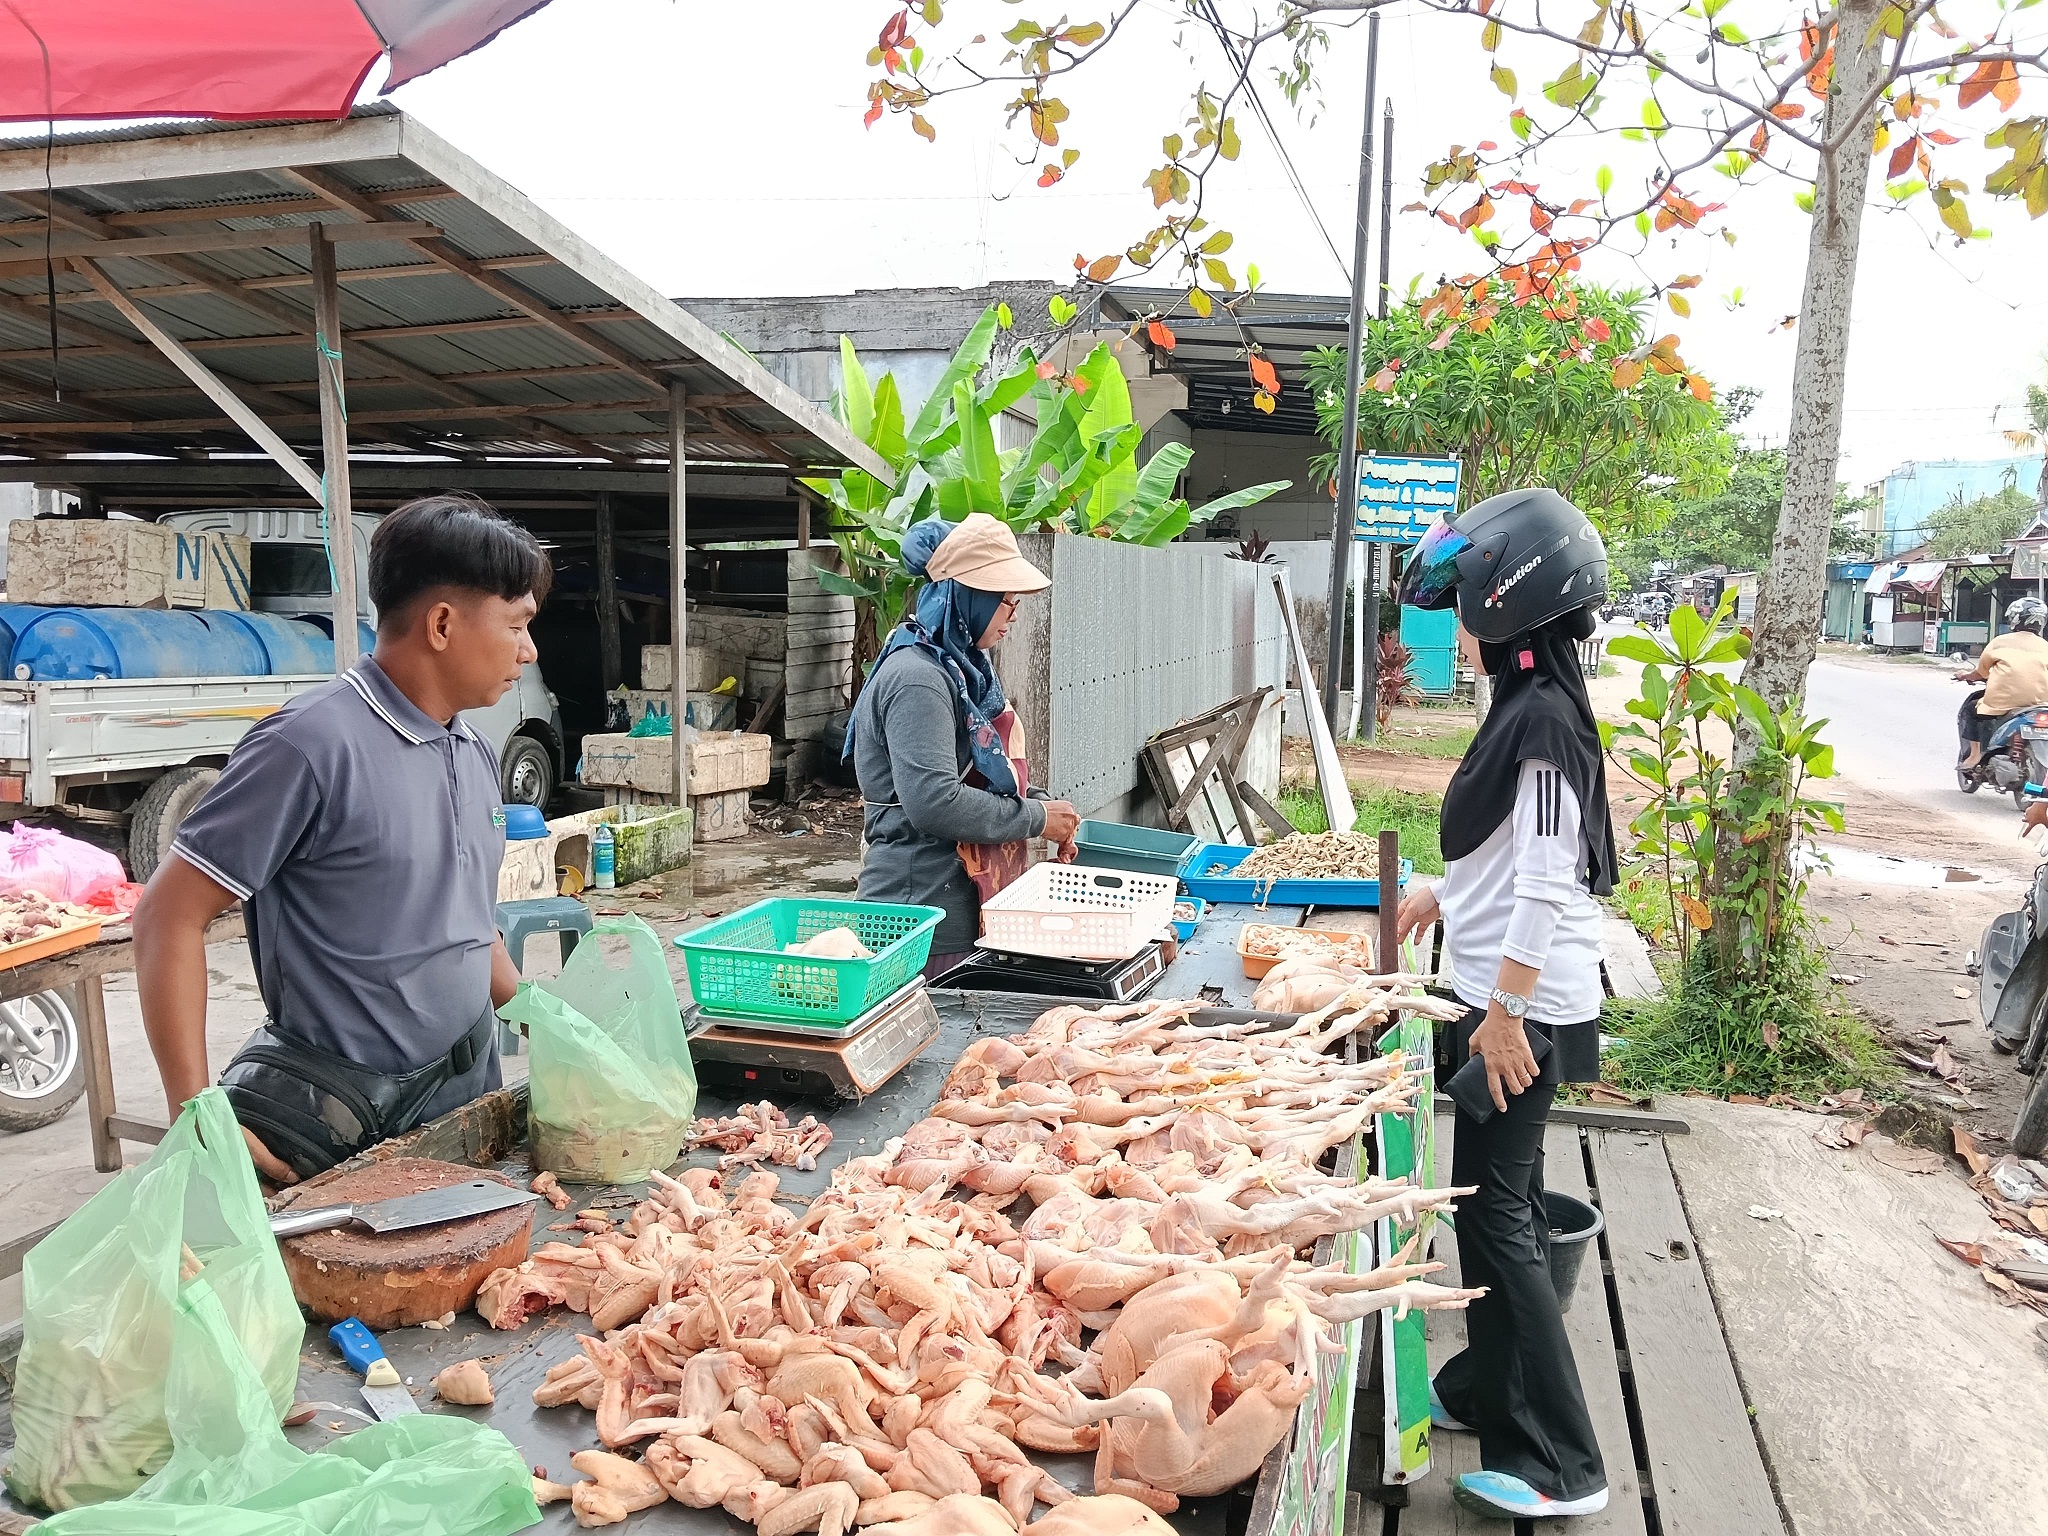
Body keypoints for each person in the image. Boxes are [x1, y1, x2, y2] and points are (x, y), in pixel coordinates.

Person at [133, 494, 550, 1184]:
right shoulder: (309, 745)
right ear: (443, 624)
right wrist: (196, 1112)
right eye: (517, 624)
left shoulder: (472, 750)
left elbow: (469, 929)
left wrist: (547, 1020)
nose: (528, 650)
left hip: (462, 1110)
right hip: (341, 1129)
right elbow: (165, 915)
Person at [1392, 487, 1614, 1521]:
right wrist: (1440, 892)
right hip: (1498, 991)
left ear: (1503, 608)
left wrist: (1505, 1015)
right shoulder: (1532, 704)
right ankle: (1490, 1389)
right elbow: (1507, 861)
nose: (1458, 635)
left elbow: (1546, 882)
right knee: (1487, 1207)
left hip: (1519, 1008)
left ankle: (1562, 1464)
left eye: (1464, 612)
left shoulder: (1539, 722)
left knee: (1501, 1218)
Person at [846, 513, 1080, 973]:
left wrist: (1041, 805)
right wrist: (1034, 819)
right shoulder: (918, 680)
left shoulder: (959, 670)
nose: (1013, 613)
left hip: (953, 910)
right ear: (966, 596)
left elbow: (973, 776)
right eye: (1004, 600)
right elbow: (935, 801)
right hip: (920, 921)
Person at [1955, 597, 2048, 769]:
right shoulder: (2045, 645)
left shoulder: (2000, 642)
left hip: (2003, 702)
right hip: (2038, 704)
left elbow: (1980, 673)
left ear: (2015, 618)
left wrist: (1965, 675)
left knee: (1971, 710)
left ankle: (1974, 756)